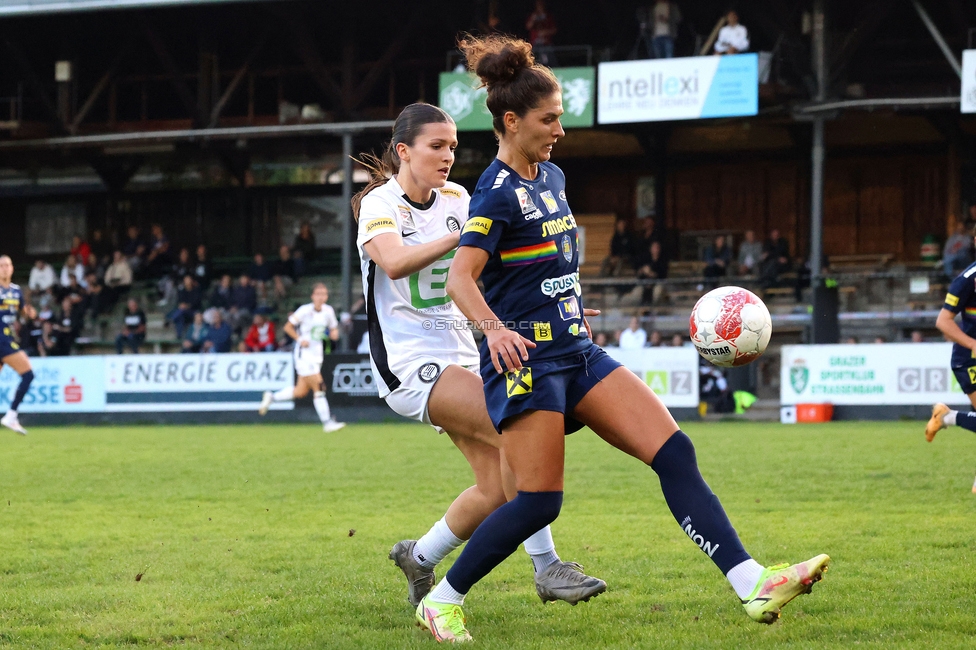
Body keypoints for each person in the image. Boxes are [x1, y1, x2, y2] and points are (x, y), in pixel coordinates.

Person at [415, 34, 828, 642]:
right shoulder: (495, 191)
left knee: (674, 452)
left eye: (561, 117)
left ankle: (753, 584)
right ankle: (443, 600)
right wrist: (495, 330)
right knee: (537, 503)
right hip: (528, 364)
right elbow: (460, 278)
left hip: (577, 353)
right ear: (510, 121)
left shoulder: (551, 176)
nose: (560, 130)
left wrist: (566, 299)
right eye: (549, 119)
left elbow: (541, 266)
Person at [348, 102, 602, 613]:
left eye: (453, 148)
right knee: (517, 433)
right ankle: (547, 566)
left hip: (464, 356)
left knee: (497, 488)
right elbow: (394, 263)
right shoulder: (382, 203)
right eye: (436, 146)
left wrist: (558, 307)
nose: (447, 157)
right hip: (410, 365)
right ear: (404, 151)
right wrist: (460, 235)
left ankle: (419, 556)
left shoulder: (459, 197)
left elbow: (493, 268)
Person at [926, 228, 976, 495]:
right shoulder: (967, 280)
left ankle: (947, 417)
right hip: (969, 358)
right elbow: (942, 322)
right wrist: (972, 344)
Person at [257, 283, 345, 432]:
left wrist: (334, 334)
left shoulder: (328, 311)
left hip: (317, 354)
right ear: (312, 296)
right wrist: (299, 339)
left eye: (323, 294)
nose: (320, 296)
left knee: (300, 391)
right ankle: (327, 422)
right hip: (303, 354)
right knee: (319, 386)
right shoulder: (305, 310)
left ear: (327, 296)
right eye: (318, 293)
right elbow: (287, 327)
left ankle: (272, 397)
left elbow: (333, 329)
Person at [0, 256, 38, 435]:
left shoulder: (16, 291)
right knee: (28, 374)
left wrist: (30, 313)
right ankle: (11, 415)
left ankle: (11, 416)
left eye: (7, 265)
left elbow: (24, 311)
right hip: (2, 339)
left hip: (7, 338)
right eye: (1, 266)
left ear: (12, 268)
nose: (5, 268)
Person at [166, 275, 202, 340]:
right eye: (186, 280)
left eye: (188, 280)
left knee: (181, 311)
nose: (187, 282)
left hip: (193, 311)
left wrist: (187, 306)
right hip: (183, 311)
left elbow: (196, 303)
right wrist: (182, 305)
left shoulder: (196, 290)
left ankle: (171, 318)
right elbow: (179, 301)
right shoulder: (182, 291)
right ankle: (179, 336)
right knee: (180, 317)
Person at [525, 0, 557, 65]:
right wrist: (533, 18)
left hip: (546, 43)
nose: (540, 6)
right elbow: (528, 26)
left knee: (550, 61)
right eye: (538, 5)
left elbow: (554, 29)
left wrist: (545, 32)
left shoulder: (548, 16)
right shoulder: (533, 16)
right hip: (534, 44)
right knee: (534, 61)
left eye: (541, 5)